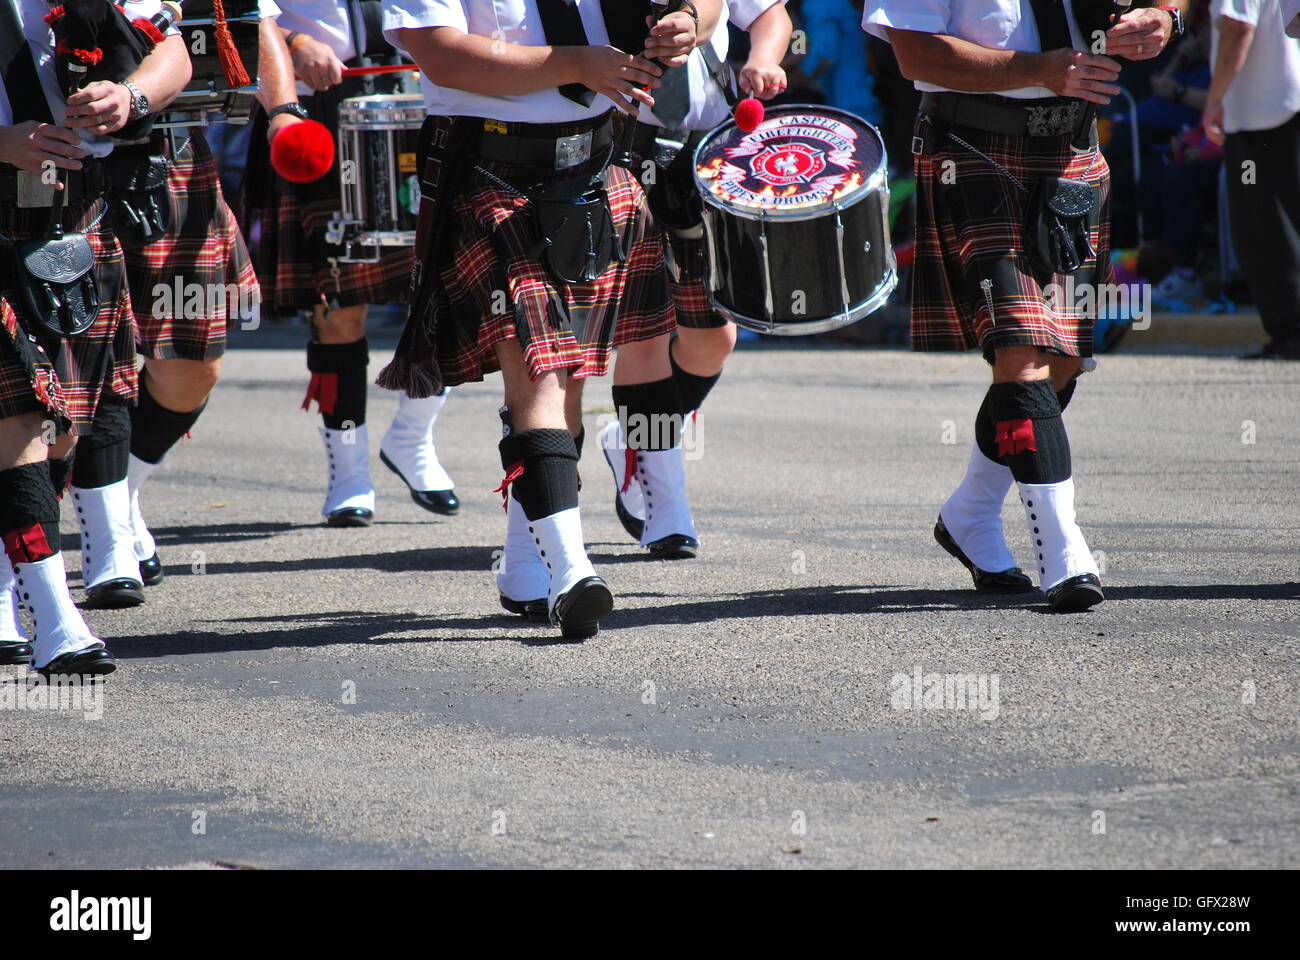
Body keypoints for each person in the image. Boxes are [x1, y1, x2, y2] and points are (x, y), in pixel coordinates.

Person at [379, 0, 721, 638]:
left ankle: (525, 563)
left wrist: (692, 19)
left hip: (594, 164)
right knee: (542, 373)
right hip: (490, 167)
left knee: (569, 382)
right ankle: (572, 573)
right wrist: (574, 64)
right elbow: (443, 55)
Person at [862, 0, 1186, 611]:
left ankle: (970, 513)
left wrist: (1168, 18)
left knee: (1062, 359)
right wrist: (1043, 69)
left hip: (1073, 152)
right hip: (972, 149)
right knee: (1023, 350)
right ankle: (1065, 557)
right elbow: (916, 53)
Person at [0, 0, 189, 674]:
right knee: (19, 415)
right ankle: (57, 623)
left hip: (73, 213)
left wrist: (131, 95)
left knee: (64, 424)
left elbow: (172, 47)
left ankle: (6, 582)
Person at [71, 9, 281, 607]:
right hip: (53, 162)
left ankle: (123, 492)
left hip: (167, 152)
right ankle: (106, 535)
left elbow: (203, 39)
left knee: (194, 363)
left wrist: (285, 112)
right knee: (95, 358)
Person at [246, 0, 459, 527]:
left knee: (451, 287)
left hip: (429, 97)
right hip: (319, 108)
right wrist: (294, 46)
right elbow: (241, 17)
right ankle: (348, 474)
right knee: (340, 306)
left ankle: (412, 435)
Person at [598, 0, 791, 561]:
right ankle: (665, 504)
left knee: (713, 339)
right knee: (646, 333)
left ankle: (632, 438)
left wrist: (764, 58)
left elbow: (770, 15)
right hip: (624, 150)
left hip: (709, 156)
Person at [1202, 0, 1300, 359]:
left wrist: (1214, 100)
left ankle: (1291, 334)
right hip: (1279, 106)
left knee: (1265, 230)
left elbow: (1237, 29)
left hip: (1263, 114)